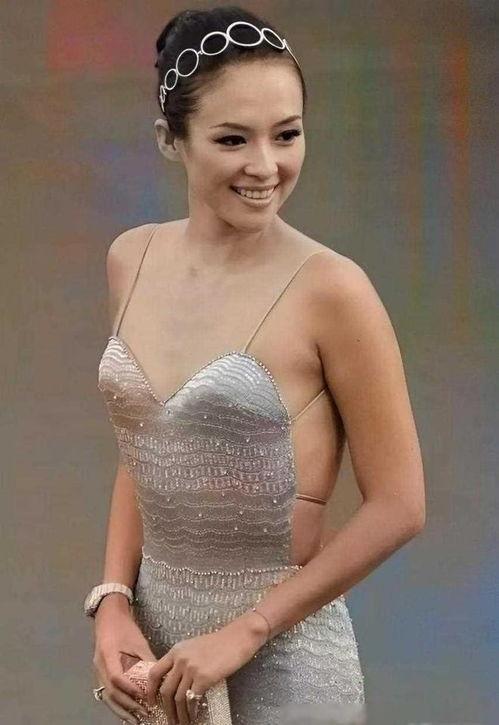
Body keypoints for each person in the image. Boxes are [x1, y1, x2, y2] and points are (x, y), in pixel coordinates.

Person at [85, 5, 426, 725]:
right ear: (170, 139)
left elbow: (400, 505)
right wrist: (112, 599)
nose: (266, 166)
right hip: (156, 656)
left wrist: (247, 631)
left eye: (287, 134)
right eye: (232, 138)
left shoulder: (333, 290)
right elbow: (144, 446)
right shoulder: (130, 258)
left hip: (283, 659)